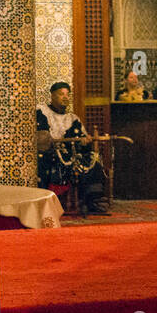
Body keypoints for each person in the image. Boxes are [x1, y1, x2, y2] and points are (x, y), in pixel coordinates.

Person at [36, 81, 108, 216]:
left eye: (67, 94)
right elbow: (41, 138)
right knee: (43, 162)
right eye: (61, 94)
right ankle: (46, 204)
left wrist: (85, 142)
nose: (65, 97)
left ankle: (93, 202)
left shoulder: (73, 118)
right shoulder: (42, 111)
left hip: (70, 155)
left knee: (93, 162)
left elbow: (81, 140)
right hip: (50, 154)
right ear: (52, 96)